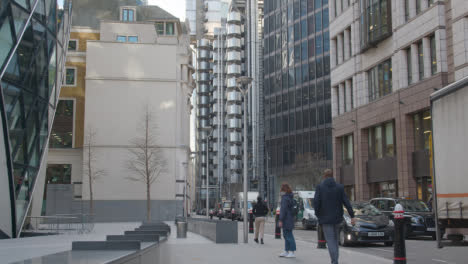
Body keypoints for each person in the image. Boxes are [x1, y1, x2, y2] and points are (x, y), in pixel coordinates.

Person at [314, 169, 355, 264]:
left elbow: (316, 203)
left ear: (324, 176)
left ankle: (334, 261)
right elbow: (347, 202)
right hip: (337, 218)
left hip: (325, 219)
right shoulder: (339, 187)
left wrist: (318, 215)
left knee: (330, 241)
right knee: (335, 240)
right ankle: (335, 260)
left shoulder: (320, 187)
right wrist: (352, 215)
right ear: (333, 176)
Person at [278, 183, 296, 258]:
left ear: (283, 190)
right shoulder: (290, 197)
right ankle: (286, 250)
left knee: (288, 235)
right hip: (290, 218)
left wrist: (280, 220)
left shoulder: (285, 198)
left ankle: (291, 251)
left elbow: (283, 210)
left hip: (286, 219)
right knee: (286, 235)